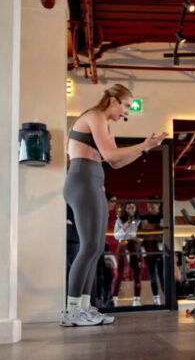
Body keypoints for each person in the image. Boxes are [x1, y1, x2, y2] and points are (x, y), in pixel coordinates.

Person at [62, 84, 167, 326]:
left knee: (96, 248)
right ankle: (71, 311)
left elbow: (116, 163)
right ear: (113, 100)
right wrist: (142, 145)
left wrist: (145, 149)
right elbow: (110, 154)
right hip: (82, 181)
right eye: (126, 106)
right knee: (89, 247)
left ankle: (85, 308)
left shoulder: (105, 126)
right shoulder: (95, 116)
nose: (127, 112)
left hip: (93, 183)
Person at [111, 201, 143, 307]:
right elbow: (116, 236)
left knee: (137, 273)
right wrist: (125, 227)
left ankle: (136, 300)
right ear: (125, 209)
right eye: (128, 208)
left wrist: (138, 238)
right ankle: (114, 300)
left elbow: (142, 235)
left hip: (135, 246)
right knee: (119, 273)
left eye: (132, 208)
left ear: (136, 209)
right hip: (123, 245)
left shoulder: (139, 221)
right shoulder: (120, 220)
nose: (130, 210)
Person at [141, 195, 164, 306]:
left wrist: (151, 227)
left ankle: (167, 298)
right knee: (152, 276)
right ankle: (156, 300)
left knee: (163, 276)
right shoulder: (145, 217)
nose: (150, 209)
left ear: (158, 204)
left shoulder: (164, 216)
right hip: (148, 251)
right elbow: (143, 229)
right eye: (148, 207)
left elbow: (164, 229)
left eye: (152, 206)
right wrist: (157, 227)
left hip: (161, 250)